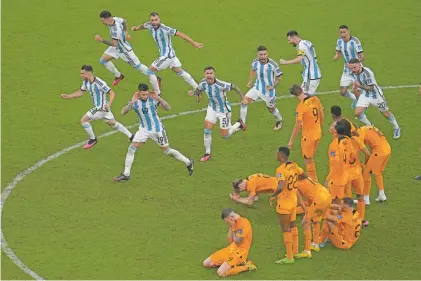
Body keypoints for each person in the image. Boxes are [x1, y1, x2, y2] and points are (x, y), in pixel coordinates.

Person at [113, 84, 193, 181]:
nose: (145, 97)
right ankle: (126, 174)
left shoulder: (153, 99)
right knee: (131, 148)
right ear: (139, 93)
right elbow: (123, 112)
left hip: (157, 130)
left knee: (167, 151)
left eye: (146, 94)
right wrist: (131, 103)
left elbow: (168, 108)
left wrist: (159, 99)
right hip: (144, 130)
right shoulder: (135, 101)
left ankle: (188, 162)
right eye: (143, 95)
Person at [60, 65, 133, 149]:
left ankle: (93, 139)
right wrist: (68, 96)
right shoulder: (86, 82)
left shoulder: (99, 83)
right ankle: (131, 136)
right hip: (104, 108)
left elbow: (112, 92)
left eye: (82, 73)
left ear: (89, 73)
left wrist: (109, 104)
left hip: (101, 108)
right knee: (112, 123)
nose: (81, 75)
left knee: (83, 120)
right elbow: (81, 92)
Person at [131, 12, 202, 90]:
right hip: (172, 55)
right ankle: (197, 88)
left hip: (167, 56)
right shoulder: (149, 25)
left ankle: (158, 93)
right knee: (179, 71)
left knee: (149, 71)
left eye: (156, 20)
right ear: (150, 21)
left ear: (159, 19)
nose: (154, 22)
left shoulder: (165, 29)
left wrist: (194, 43)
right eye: (152, 20)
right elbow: (143, 26)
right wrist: (136, 28)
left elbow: (181, 34)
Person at [188, 66, 246, 162]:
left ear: (214, 75)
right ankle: (207, 153)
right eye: (207, 73)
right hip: (212, 108)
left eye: (211, 73)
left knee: (225, 135)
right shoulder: (203, 82)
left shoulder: (221, 84)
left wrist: (243, 98)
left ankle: (239, 124)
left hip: (224, 111)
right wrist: (193, 93)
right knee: (207, 131)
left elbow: (234, 87)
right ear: (204, 74)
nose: (209, 75)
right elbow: (199, 89)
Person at [95, 10, 161, 93]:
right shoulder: (115, 19)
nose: (102, 22)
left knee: (140, 68)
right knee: (103, 60)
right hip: (117, 48)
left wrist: (101, 40)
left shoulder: (115, 30)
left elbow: (114, 44)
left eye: (102, 20)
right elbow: (124, 21)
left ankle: (156, 83)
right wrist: (126, 31)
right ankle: (118, 75)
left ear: (106, 19)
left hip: (124, 52)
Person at [269, 147, 306, 264]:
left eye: (277, 153)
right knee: (293, 225)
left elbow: (280, 186)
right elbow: (303, 175)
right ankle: (295, 251)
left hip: (284, 203)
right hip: (293, 200)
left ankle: (289, 257)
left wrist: (272, 195)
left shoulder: (280, 169)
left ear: (281, 156)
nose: (275, 155)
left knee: (285, 228)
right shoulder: (294, 165)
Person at [348, 58, 401, 139]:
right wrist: (356, 88)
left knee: (386, 114)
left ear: (359, 64)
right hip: (365, 94)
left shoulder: (368, 73)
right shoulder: (352, 72)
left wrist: (359, 86)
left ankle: (396, 127)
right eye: (351, 68)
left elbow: (371, 88)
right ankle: (370, 126)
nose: (352, 70)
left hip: (376, 96)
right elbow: (357, 84)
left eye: (354, 67)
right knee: (357, 113)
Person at [203, 208, 257, 277]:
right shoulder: (233, 223)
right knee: (206, 263)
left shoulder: (244, 224)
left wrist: (233, 228)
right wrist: (231, 227)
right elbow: (230, 240)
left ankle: (247, 266)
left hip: (240, 253)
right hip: (230, 249)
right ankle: (228, 263)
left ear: (230, 218)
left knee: (220, 273)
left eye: (227, 222)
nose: (227, 223)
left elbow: (237, 242)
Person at [242, 46, 284, 130]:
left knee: (271, 109)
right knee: (244, 101)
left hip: (269, 93)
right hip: (257, 88)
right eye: (261, 54)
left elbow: (279, 77)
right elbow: (253, 70)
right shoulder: (255, 62)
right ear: (257, 54)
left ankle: (280, 120)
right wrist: (250, 81)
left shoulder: (273, 65)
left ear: (267, 54)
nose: (263, 56)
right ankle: (242, 124)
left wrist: (273, 86)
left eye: (265, 54)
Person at [337, 119, 370, 226]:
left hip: (346, 176)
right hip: (357, 173)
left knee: (347, 200)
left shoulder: (339, 144)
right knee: (360, 196)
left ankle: (350, 222)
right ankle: (362, 220)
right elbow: (368, 154)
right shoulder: (356, 140)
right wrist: (363, 165)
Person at [288, 84, 324, 181]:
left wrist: (291, 140)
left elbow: (297, 125)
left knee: (307, 159)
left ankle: (313, 180)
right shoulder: (315, 99)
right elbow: (321, 114)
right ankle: (313, 178)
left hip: (308, 137)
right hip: (318, 132)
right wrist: (319, 126)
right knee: (310, 157)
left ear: (295, 95)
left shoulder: (301, 107)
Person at [295, 176, 332, 255]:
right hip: (327, 196)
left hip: (319, 200)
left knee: (306, 222)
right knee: (316, 220)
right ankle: (315, 244)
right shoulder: (308, 178)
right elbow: (310, 195)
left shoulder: (296, 184)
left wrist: (306, 212)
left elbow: (300, 201)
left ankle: (307, 251)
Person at [279, 30, 322, 95]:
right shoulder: (307, 42)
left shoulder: (301, 46)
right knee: (304, 96)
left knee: (304, 97)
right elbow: (310, 57)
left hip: (310, 75)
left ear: (294, 37)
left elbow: (299, 59)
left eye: (289, 40)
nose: (289, 42)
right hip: (313, 72)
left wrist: (285, 62)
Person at [356, 125, 391, 203]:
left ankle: (366, 199)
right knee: (377, 172)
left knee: (366, 173)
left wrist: (364, 164)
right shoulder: (367, 127)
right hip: (387, 150)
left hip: (379, 152)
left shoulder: (360, 133)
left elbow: (365, 152)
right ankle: (382, 195)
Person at [333, 25, 364, 107]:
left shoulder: (355, 41)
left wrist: (354, 64)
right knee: (343, 92)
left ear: (348, 32)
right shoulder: (339, 41)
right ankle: (354, 99)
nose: (342, 34)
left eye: (344, 32)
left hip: (357, 70)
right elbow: (338, 52)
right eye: (341, 32)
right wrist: (336, 56)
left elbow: (362, 56)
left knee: (357, 91)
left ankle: (361, 110)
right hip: (347, 70)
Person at [326, 121, 356, 203]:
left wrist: (328, 178)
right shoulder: (348, 141)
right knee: (344, 199)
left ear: (336, 132)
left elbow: (336, 163)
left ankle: (339, 216)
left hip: (336, 178)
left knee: (334, 202)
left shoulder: (334, 145)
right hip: (345, 176)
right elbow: (353, 159)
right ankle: (346, 214)